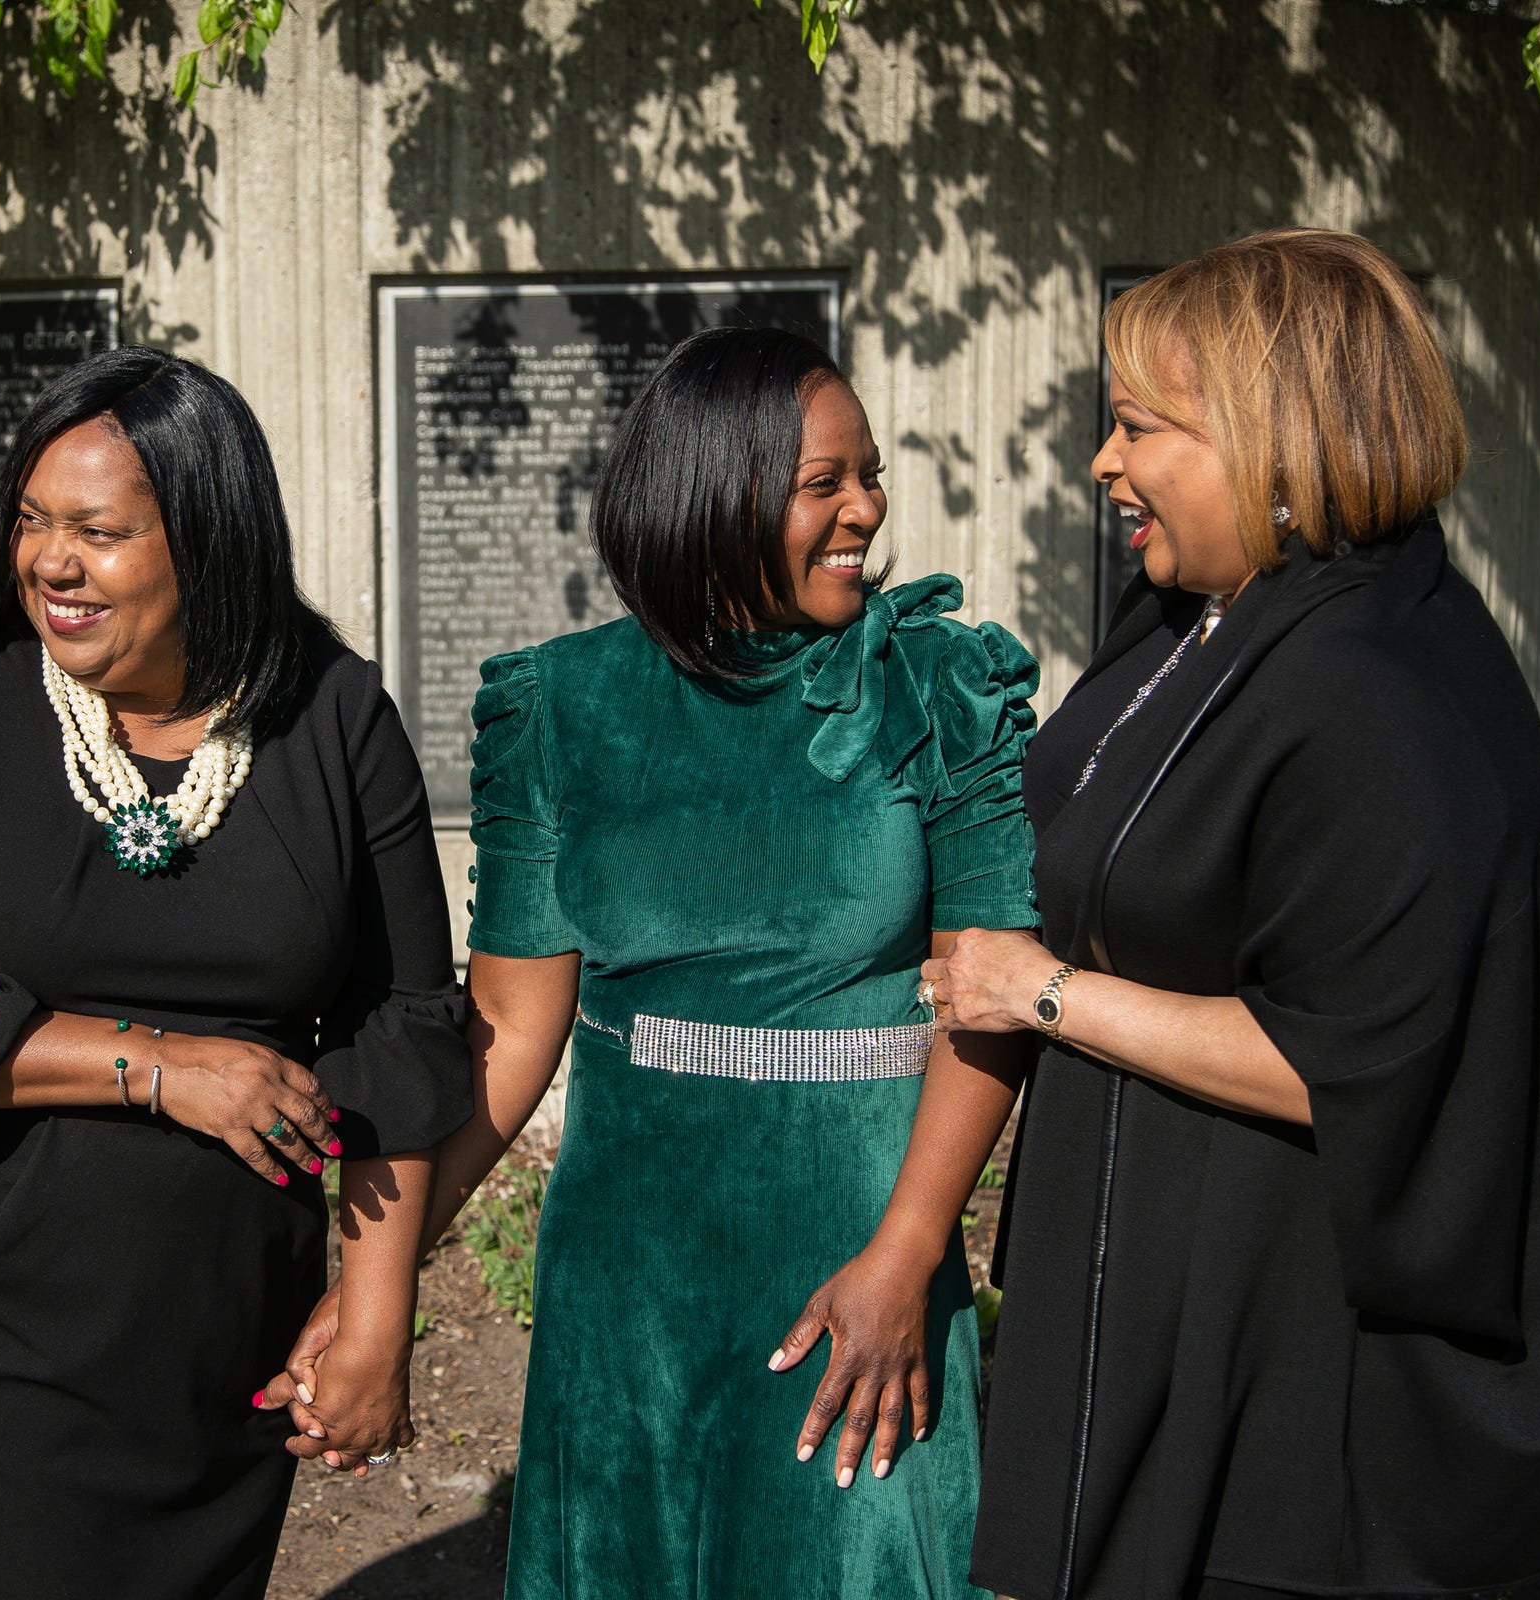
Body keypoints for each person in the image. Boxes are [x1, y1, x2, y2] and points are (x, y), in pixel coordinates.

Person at [288, 325, 1042, 1597]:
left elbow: (992, 999)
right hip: (628, 1277)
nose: (867, 508)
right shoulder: (561, 707)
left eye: (869, 476)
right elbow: (510, 1036)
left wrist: (908, 1254)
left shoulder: (936, 683)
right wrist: (385, 1280)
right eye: (826, 483)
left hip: (859, 1251)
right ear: (716, 494)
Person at [928, 228, 1540, 1599]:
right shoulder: (1205, 618)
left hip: (1297, 1397)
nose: (1104, 463)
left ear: (1273, 437)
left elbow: (1347, 1055)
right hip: (1154, 1313)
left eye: (1136, 428)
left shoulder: (1380, 688)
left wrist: (1038, 991)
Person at [0, 345, 472, 1600]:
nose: (49, 560)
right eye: (30, 520)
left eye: (99, 530)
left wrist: (375, 1305)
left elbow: (405, 1025)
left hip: (219, 1331)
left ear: (210, 540)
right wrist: (160, 1068)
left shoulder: (330, 715)